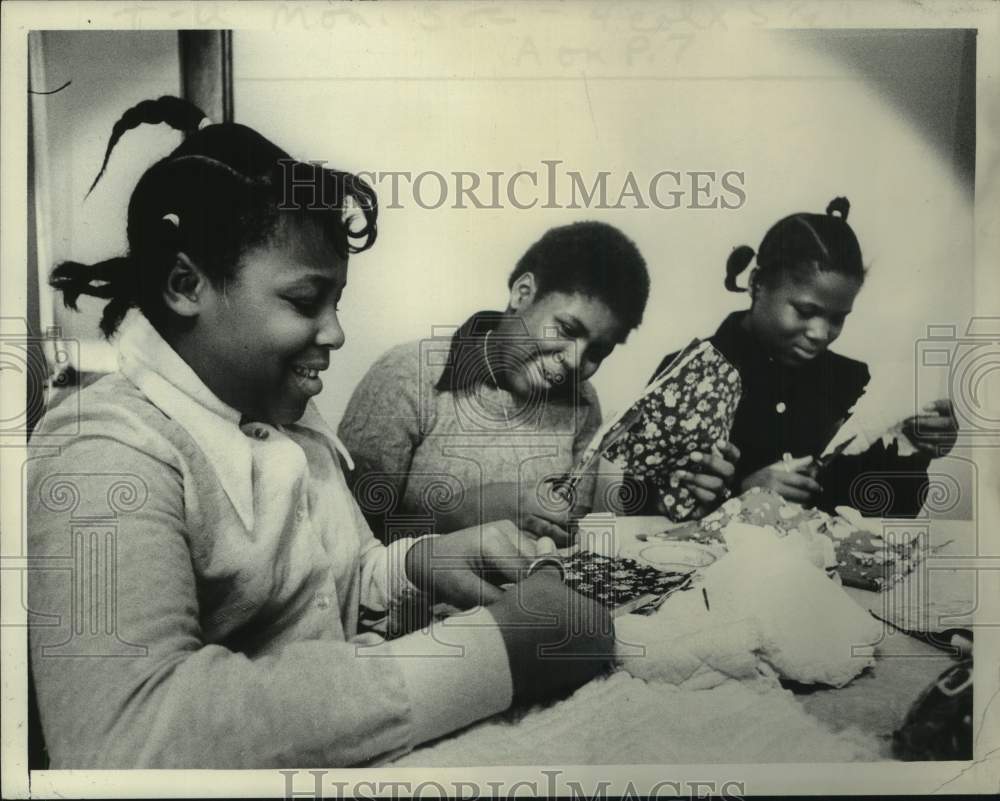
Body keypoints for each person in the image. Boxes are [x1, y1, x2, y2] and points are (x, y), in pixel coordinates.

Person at [28, 97, 614, 769]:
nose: (334, 332)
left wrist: (419, 564)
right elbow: (124, 740)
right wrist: (498, 652)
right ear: (186, 285)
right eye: (306, 302)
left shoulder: (279, 412)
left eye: (335, 303)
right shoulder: (100, 453)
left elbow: (329, 588)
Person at [338, 222, 737, 545]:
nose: (575, 361)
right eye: (567, 329)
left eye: (599, 351)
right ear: (522, 293)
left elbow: (573, 532)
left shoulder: (583, 403)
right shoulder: (409, 377)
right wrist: (465, 512)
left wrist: (673, 495)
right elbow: (347, 549)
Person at [649, 197, 958, 516]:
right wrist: (741, 496)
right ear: (757, 284)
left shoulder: (852, 382)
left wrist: (913, 449)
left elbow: (891, 513)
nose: (821, 333)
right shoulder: (686, 375)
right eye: (806, 311)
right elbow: (643, 510)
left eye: (838, 318)